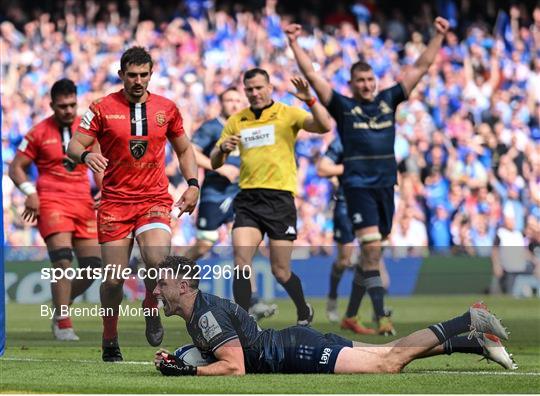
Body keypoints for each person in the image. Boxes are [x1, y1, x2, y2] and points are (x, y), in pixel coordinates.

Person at [286, 17, 451, 335]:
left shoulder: (389, 100)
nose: (366, 84)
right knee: (371, 250)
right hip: (357, 188)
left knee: (370, 256)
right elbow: (312, 75)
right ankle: (381, 315)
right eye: (359, 80)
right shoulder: (343, 107)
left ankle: (349, 313)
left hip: (386, 188)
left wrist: (438, 36)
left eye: (369, 79)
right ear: (352, 84)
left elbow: (420, 66)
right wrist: (294, 43)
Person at [152, 256, 517, 376]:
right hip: (294, 343)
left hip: (297, 352)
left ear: (184, 286)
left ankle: (469, 318)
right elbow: (220, 347)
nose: (155, 291)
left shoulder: (205, 315)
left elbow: (235, 367)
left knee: (388, 363)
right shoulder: (200, 312)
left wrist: (190, 370)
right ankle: (473, 342)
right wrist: (178, 357)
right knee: (389, 351)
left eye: (161, 284)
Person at [67, 46, 199, 362]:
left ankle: (150, 306)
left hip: (153, 200)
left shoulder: (167, 108)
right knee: (113, 278)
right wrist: (86, 155)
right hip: (114, 203)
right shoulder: (100, 108)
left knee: (157, 260)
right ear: (121, 75)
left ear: (151, 74)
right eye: (132, 75)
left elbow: (184, 150)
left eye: (144, 74)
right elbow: (74, 145)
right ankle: (109, 339)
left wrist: (193, 184)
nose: (138, 80)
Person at [209, 69, 332, 325]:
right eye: (249, 89)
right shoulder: (237, 120)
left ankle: (303, 308)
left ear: (269, 87)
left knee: (280, 270)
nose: (254, 93)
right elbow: (214, 160)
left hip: (280, 200)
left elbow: (324, 126)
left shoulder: (287, 114)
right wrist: (222, 149)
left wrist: (309, 99)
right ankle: (241, 323)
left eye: (258, 88)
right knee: (241, 261)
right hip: (248, 199)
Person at [8, 78, 101, 341]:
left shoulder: (88, 129)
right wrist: (30, 192)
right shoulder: (38, 132)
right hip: (50, 200)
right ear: (52, 105)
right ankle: (63, 322)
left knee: (94, 267)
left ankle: (60, 305)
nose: (68, 110)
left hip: (83, 201)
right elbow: (16, 167)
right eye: (62, 106)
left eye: (72, 104)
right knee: (61, 259)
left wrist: (103, 189)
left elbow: (99, 164)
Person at [185, 87, 276, 320]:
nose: (235, 104)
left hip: (241, 194)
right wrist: (220, 166)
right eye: (229, 100)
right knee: (205, 244)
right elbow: (191, 152)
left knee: (243, 248)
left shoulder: (248, 126)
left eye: (238, 100)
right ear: (221, 102)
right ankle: (170, 270)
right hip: (215, 194)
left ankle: (251, 302)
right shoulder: (211, 127)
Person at [317, 137, 389, 334]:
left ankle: (374, 312)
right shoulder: (341, 142)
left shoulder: (378, 139)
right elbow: (323, 169)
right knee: (343, 260)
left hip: (370, 203)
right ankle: (333, 297)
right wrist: (351, 169)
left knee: (374, 260)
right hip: (345, 204)